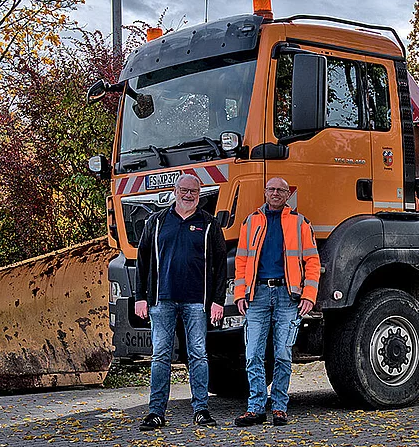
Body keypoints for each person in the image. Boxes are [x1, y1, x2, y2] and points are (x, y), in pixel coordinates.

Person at [134, 174, 227, 431]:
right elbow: (142, 263)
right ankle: (155, 413)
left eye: (194, 191)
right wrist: (139, 297)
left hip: (197, 302)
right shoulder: (156, 222)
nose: (188, 195)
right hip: (161, 300)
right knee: (160, 355)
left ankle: (201, 410)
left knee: (198, 355)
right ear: (175, 191)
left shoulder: (209, 224)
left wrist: (218, 301)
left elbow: (220, 266)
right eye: (184, 190)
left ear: (200, 194)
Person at [232, 177, 320, 427]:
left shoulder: (299, 222)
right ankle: (256, 408)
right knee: (253, 355)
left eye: (281, 190)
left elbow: (312, 262)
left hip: (287, 296)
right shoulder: (251, 222)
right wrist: (240, 293)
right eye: (271, 189)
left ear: (287, 194)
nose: (276, 193)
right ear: (265, 192)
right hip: (257, 296)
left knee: (282, 355)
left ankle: (279, 407)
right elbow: (241, 261)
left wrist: (308, 296)